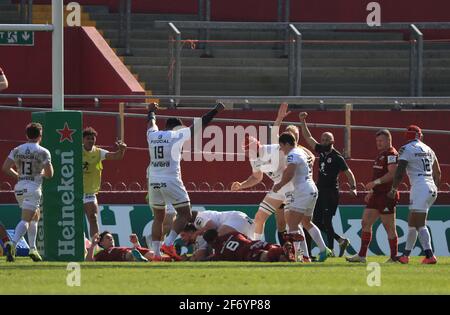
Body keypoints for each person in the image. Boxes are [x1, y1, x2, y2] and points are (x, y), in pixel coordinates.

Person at [147, 102, 224, 260]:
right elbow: (200, 124)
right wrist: (215, 110)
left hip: (153, 180)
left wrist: (151, 112)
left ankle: (155, 254)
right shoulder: (177, 135)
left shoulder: (152, 135)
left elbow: (151, 123)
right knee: (185, 213)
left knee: (158, 218)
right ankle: (168, 243)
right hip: (171, 178)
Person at [298, 112, 357, 257]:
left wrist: (353, 187)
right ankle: (312, 252)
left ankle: (330, 248)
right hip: (319, 191)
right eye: (323, 139)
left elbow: (348, 173)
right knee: (314, 222)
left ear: (332, 142)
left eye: (327, 139)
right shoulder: (321, 151)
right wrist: (303, 121)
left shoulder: (337, 157)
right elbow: (308, 138)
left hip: (330, 193)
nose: (323, 141)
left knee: (326, 221)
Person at [273, 133, 332, 262]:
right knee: (306, 222)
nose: (281, 150)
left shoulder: (292, 154)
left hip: (303, 191)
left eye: (281, 146)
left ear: (286, 144)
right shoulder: (301, 151)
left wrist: (280, 185)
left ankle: (298, 256)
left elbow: (290, 172)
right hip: (311, 189)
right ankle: (323, 250)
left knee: (293, 225)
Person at [2, 123, 53, 262]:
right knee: (26, 219)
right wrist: (41, 172)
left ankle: (32, 249)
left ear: (27, 135)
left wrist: (18, 176)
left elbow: (5, 168)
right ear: (40, 135)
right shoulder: (43, 151)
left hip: (19, 188)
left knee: (35, 216)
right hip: (33, 188)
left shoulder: (17, 150)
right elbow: (49, 174)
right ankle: (13, 244)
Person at [389, 125, 441, 264]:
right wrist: (434, 187)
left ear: (408, 136)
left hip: (419, 187)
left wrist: (393, 189)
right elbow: (438, 172)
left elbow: (399, 171)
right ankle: (405, 256)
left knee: (419, 224)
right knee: (412, 223)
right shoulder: (429, 149)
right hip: (430, 187)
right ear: (420, 136)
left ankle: (430, 255)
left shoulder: (406, 149)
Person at [346, 129, 399, 263]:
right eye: (377, 141)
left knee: (389, 227)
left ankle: (394, 257)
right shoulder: (381, 155)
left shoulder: (392, 154)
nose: (378, 143)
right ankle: (362, 256)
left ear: (388, 140)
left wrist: (375, 183)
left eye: (381, 141)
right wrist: (372, 191)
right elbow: (379, 174)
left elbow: (392, 174)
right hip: (377, 194)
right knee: (365, 222)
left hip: (387, 196)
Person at [82, 127, 127, 238]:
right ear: (83, 140)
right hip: (74, 192)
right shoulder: (74, 151)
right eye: (88, 138)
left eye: (93, 139)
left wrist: (122, 149)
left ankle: (95, 245)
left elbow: (116, 156)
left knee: (93, 217)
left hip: (89, 192)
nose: (90, 141)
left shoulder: (98, 152)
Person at [203, 229, 296, 262]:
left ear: (210, 242)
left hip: (247, 252)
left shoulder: (219, 251)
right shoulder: (232, 233)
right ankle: (286, 247)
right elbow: (245, 237)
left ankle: (284, 248)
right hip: (254, 243)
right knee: (274, 250)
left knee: (265, 256)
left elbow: (212, 258)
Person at [86, 231, 168, 262]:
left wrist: (136, 242)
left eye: (112, 238)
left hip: (134, 250)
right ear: (101, 243)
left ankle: (171, 258)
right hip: (126, 254)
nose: (111, 239)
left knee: (153, 255)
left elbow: (138, 251)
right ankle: (140, 260)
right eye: (108, 238)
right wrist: (93, 245)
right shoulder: (102, 253)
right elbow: (88, 261)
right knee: (131, 254)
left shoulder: (118, 247)